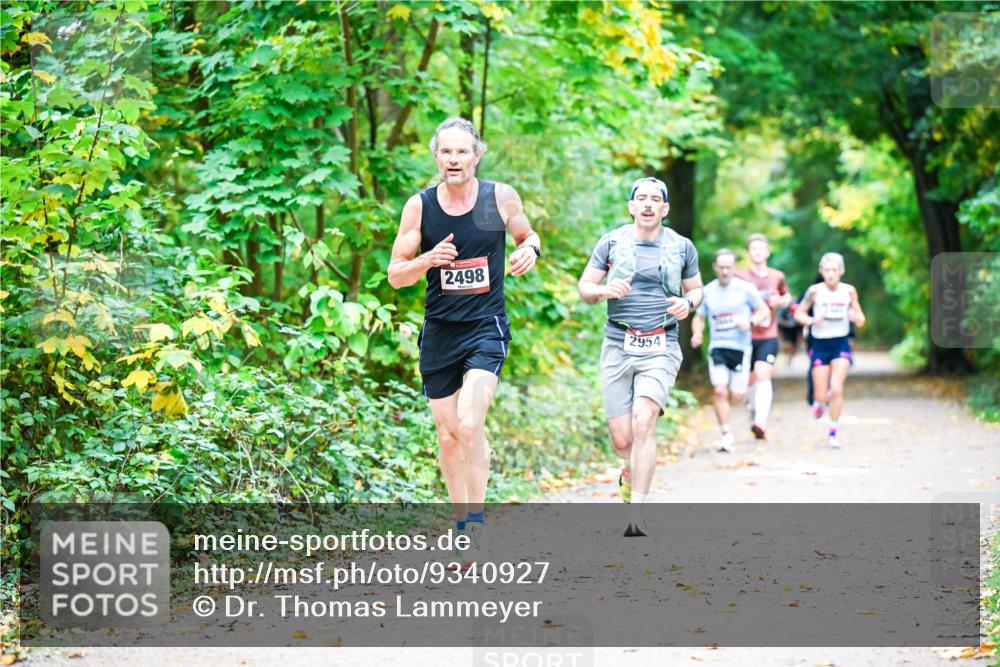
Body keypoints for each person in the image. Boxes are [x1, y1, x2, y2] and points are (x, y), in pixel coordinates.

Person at [387, 118, 540, 557]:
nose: (454, 159)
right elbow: (396, 274)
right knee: (449, 434)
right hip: (439, 330)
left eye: (462, 152)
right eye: (446, 152)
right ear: (436, 157)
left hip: (485, 327)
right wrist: (428, 260)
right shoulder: (420, 207)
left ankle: (474, 527)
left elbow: (527, 235)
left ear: (477, 155)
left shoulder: (496, 198)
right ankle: (462, 519)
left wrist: (529, 249)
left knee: (471, 423)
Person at [578, 177, 702, 537]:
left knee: (644, 419)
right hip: (618, 342)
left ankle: (638, 511)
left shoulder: (681, 247)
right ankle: (629, 471)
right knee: (622, 439)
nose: (648, 205)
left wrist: (687, 302)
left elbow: (696, 288)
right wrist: (603, 291)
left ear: (665, 209)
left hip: (661, 344)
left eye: (655, 200)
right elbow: (585, 287)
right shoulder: (612, 242)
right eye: (641, 199)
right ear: (631, 206)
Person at [692, 249, 772, 453]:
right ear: (715, 267)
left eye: (729, 267)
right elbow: (699, 317)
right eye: (721, 267)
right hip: (718, 347)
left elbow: (764, 310)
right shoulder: (708, 291)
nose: (725, 271)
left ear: (735, 267)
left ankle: (752, 400)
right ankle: (726, 433)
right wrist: (697, 334)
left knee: (737, 395)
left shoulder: (746, 289)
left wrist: (751, 322)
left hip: (741, 348)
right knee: (719, 391)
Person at [794, 253, 866, 449]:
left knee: (836, 388)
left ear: (841, 271)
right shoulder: (814, 291)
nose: (831, 274)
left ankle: (833, 432)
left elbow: (859, 314)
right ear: (822, 272)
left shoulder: (849, 291)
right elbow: (799, 313)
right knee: (820, 395)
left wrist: (856, 317)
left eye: (834, 270)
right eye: (827, 270)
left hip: (840, 343)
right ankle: (819, 404)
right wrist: (810, 321)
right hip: (819, 344)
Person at [735, 233, 791, 440]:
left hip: (768, 334)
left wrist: (781, 301)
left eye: (761, 248)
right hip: (743, 335)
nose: (758, 252)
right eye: (754, 249)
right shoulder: (740, 277)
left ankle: (761, 422)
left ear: (767, 252)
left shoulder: (777, 276)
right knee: (748, 383)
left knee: (763, 374)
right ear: (749, 253)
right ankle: (753, 409)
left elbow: (787, 297)